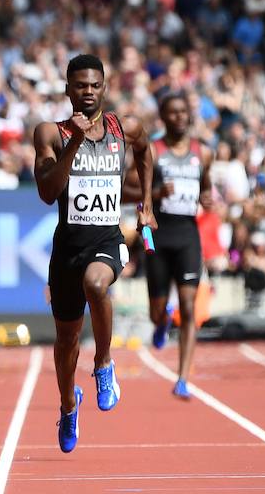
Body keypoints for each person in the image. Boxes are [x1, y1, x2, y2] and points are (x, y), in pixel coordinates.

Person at [33, 54, 156, 453]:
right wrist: (78, 143)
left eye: (94, 85)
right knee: (66, 339)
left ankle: (104, 363)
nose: (88, 92)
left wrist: (147, 204)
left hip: (107, 240)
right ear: (68, 89)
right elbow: (48, 191)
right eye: (80, 86)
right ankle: (69, 405)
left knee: (96, 283)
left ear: (104, 87)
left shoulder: (124, 127)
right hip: (67, 247)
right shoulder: (50, 133)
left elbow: (146, 151)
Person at [144, 93, 213, 399]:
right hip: (159, 235)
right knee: (156, 311)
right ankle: (161, 321)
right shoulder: (154, 151)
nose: (180, 117)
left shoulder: (203, 152)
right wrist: (157, 194)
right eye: (173, 113)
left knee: (189, 307)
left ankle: (182, 377)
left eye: (184, 112)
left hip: (187, 236)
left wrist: (207, 198)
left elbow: (207, 187)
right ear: (163, 117)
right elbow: (134, 188)